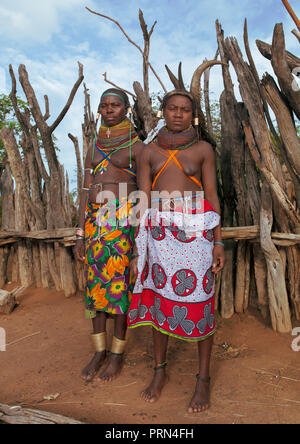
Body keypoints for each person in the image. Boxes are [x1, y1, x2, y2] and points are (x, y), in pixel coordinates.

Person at [128, 90, 225, 412]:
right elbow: (142, 197)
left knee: (200, 302)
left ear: (192, 115)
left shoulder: (203, 149)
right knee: (159, 300)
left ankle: (204, 379)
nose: (178, 114)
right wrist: (135, 249)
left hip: (196, 235)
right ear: (163, 112)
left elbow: (211, 193)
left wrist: (218, 240)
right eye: (173, 109)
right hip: (158, 236)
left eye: (185, 110)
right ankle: (159, 371)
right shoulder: (148, 151)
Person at [75, 88, 143, 382]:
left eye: (115, 105)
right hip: (94, 226)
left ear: (127, 109)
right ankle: (99, 351)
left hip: (121, 225)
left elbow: (143, 194)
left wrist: (138, 242)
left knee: (118, 295)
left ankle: (116, 355)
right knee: (94, 294)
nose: (109, 109)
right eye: (104, 106)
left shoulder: (138, 148)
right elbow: (85, 190)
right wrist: (80, 233)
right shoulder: (93, 148)